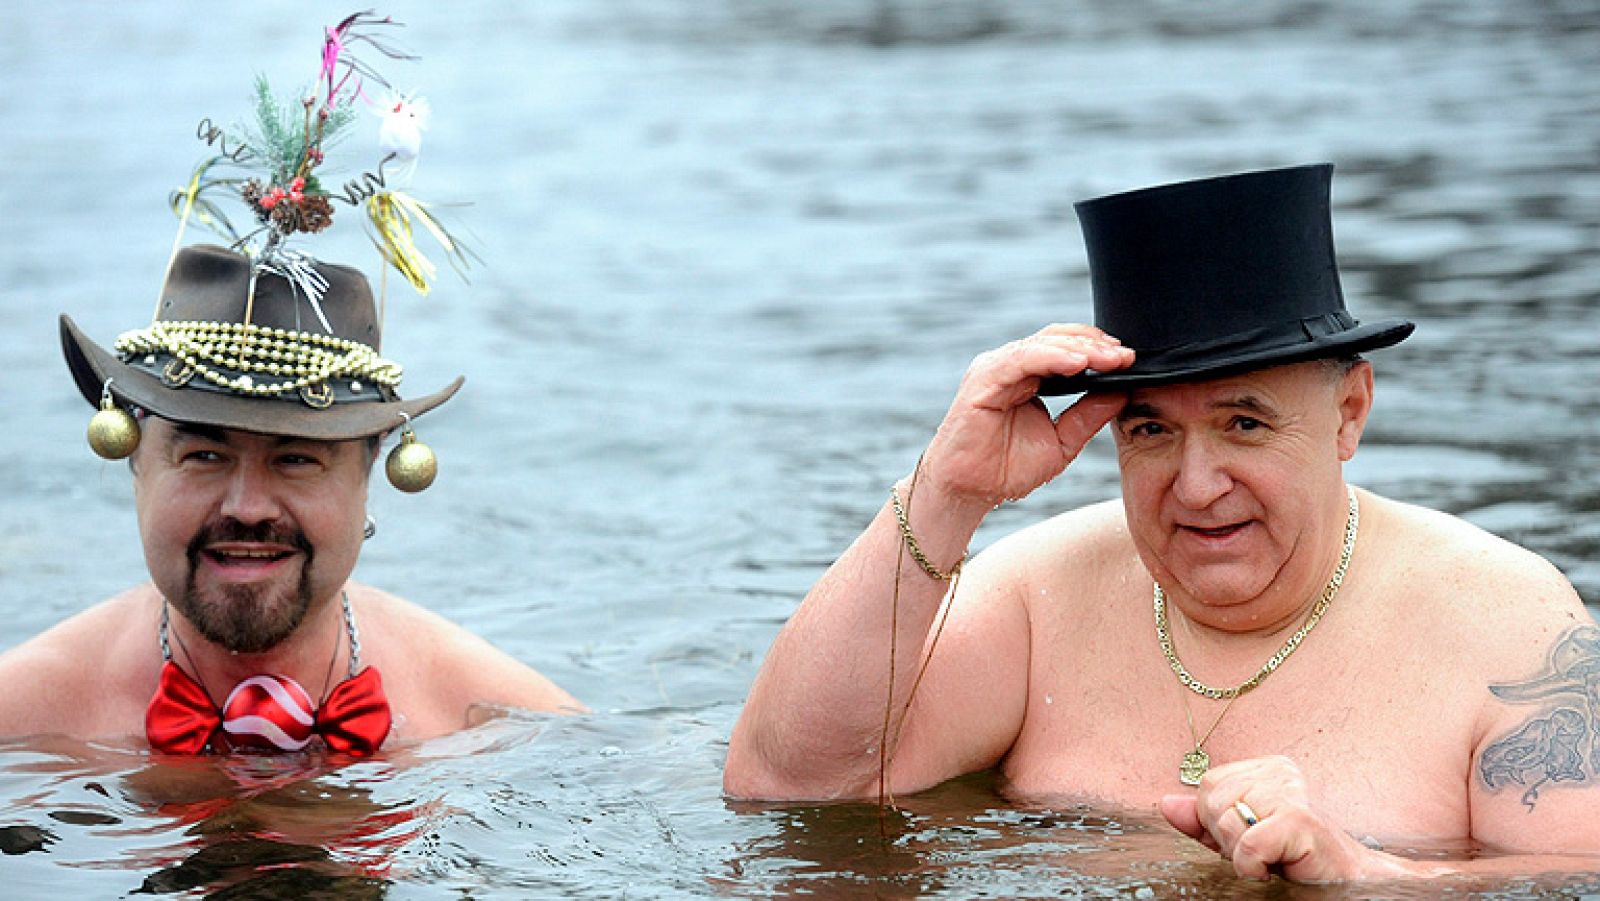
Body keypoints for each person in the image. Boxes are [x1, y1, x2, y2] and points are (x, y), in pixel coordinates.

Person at [724, 164, 1600, 881]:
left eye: (1244, 422)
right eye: (1150, 431)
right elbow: (790, 789)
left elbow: (1574, 877)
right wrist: (946, 493)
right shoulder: (1040, 595)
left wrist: (1368, 873)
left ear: (1349, 412)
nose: (1197, 486)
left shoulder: (1510, 627)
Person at [0, 14, 580, 755]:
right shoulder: (23, 723)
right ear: (135, 462)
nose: (247, 507)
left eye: (296, 457)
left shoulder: (494, 722)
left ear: (369, 470)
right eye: (204, 454)